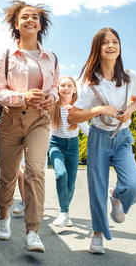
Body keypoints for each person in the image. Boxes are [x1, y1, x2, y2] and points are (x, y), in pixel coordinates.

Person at [0, 0, 59, 253]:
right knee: (7, 176)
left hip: (39, 120)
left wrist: (51, 97)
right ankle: (4, 216)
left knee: (36, 172)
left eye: (35, 18)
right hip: (11, 120)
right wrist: (21, 98)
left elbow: (55, 89)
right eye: (25, 17)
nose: (30, 20)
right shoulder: (5, 56)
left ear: (41, 25)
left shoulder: (51, 57)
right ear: (16, 24)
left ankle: (32, 231)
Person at [67, 27, 136, 255]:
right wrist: (98, 109)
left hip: (122, 138)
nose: (111, 46)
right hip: (98, 138)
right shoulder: (92, 84)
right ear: (98, 49)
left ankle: (117, 196)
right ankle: (98, 232)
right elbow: (72, 115)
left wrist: (129, 110)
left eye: (115, 41)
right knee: (96, 188)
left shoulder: (131, 77)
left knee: (134, 185)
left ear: (119, 47)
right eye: (105, 43)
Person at [49, 76, 89, 227]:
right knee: (61, 174)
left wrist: (76, 115)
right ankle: (63, 212)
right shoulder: (53, 107)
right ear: (58, 89)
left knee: (71, 186)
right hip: (55, 145)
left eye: (69, 85)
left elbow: (87, 132)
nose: (65, 88)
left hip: (73, 146)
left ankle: (65, 214)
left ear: (75, 89)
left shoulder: (78, 108)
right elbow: (47, 129)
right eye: (62, 85)